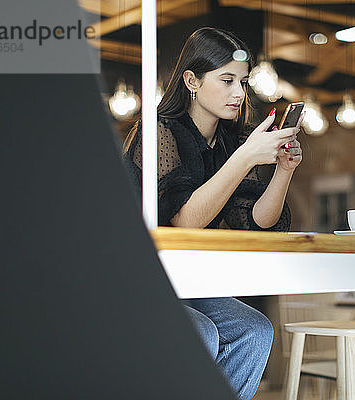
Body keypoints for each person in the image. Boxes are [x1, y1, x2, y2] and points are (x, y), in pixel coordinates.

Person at [122, 27, 303, 399]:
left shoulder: (230, 142)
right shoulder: (157, 133)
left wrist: (283, 171)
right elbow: (185, 219)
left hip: (187, 284)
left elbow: (254, 222)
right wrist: (246, 156)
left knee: (255, 330)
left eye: (243, 82)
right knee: (200, 332)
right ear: (191, 80)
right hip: (131, 280)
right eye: (227, 80)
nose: (239, 93)